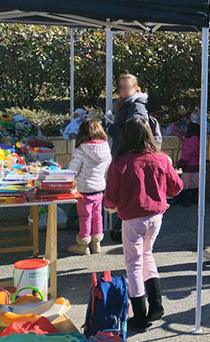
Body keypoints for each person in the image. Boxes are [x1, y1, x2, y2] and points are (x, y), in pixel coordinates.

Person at [104, 117, 182, 332]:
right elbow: (176, 187)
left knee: (134, 263)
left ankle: (139, 315)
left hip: (132, 217)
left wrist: (111, 206)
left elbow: (110, 197)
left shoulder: (120, 162)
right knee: (147, 255)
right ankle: (156, 305)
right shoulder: (162, 159)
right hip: (156, 215)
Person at [67, 119, 112, 255]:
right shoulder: (106, 148)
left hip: (83, 190)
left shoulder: (81, 150)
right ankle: (96, 243)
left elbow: (73, 171)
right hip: (99, 188)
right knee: (97, 216)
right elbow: (108, 169)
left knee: (84, 217)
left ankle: (83, 244)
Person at [106, 74, 149, 154]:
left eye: (127, 87)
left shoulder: (136, 106)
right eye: (121, 87)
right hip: (121, 152)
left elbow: (133, 134)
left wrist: (110, 128)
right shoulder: (122, 104)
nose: (123, 90)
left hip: (130, 154)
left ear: (135, 88)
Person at [173, 122, 201, 207]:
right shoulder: (198, 139)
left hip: (189, 166)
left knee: (187, 185)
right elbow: (183, 138)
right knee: (196, 184)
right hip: (196, 165)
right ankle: (195, 199)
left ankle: (186, 200)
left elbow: (187, 153)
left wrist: (181, 163)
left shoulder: (190, 141)